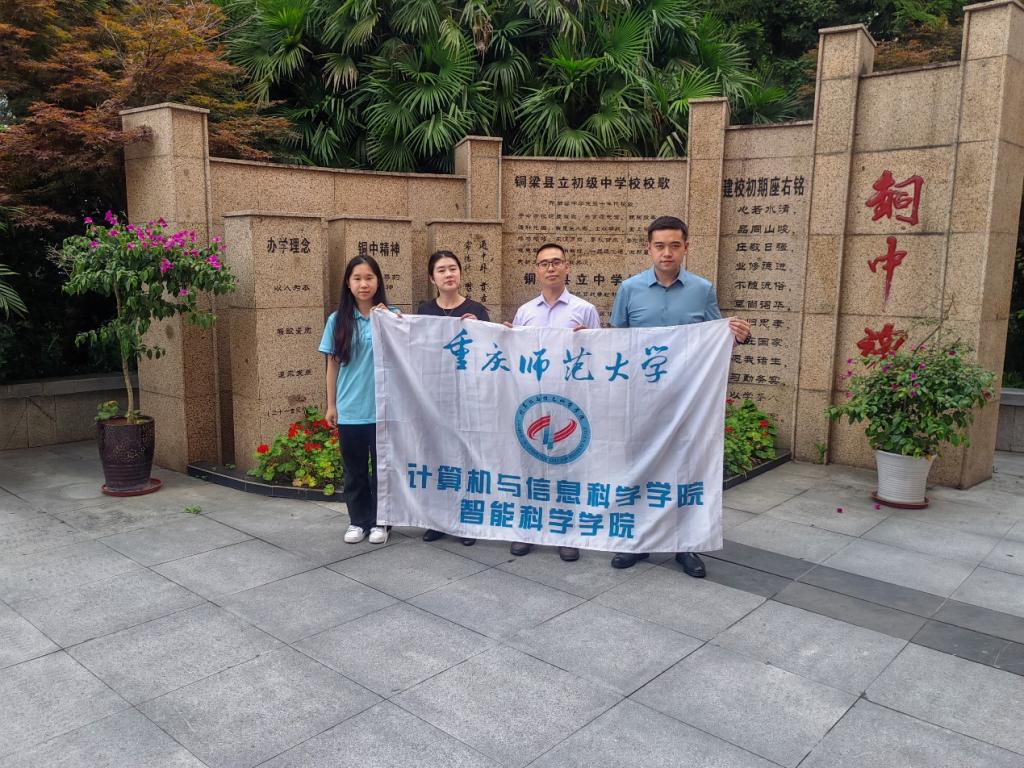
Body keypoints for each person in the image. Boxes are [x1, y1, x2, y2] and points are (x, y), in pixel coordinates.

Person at [608, 216, 751, 575]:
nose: (667, 253)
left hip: (688, 400)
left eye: (674, 245)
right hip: (641, 399)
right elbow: (614, 342)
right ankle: (637, 540)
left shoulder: (702, 290)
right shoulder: (629, 289)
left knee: (686, 469)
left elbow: (715, 336)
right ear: (649, 249)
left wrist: (736, 334)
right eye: (659, 246)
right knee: (638, 467)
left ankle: (685, 544)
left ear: (686, 247)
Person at [508, 242, 600, 562]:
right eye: (544, 263)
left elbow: (598, 357)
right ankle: (529, 528)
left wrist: (589, 339)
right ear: (536, 270)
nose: (551, 268)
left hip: (569, 402)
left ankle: (565, 531)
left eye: (556, 262)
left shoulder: (584, 310)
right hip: (531, 401)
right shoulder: (525, 312)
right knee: (529, 465)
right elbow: (514, 354)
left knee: (567, 467)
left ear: (567, 267)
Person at [320, 255, 400, 546]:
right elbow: (333, 365)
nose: (363, 284)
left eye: (369, 278)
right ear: (348, 283)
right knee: (354, 471)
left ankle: (382, 522)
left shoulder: (393, 316)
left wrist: (391, 321)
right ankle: (358, 521)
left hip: (384, 409)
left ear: (378, 282)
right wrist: (332, 405)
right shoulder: (337, 320)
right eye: (357, 278)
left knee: (383, 471)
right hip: (351, 408)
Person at [417, 250, 489, 546]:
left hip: (467, 398)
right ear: (432, 278)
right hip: (434, 398)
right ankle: (439, 520)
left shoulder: (477, 310)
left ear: (460, 273)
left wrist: (479, 330)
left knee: (466, 458)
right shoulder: (424, 311)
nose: (449, 274)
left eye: (453, 268)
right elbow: (416, 347)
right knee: (437, 458)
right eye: (442, 270)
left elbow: (489, 354)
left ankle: (467, 521)